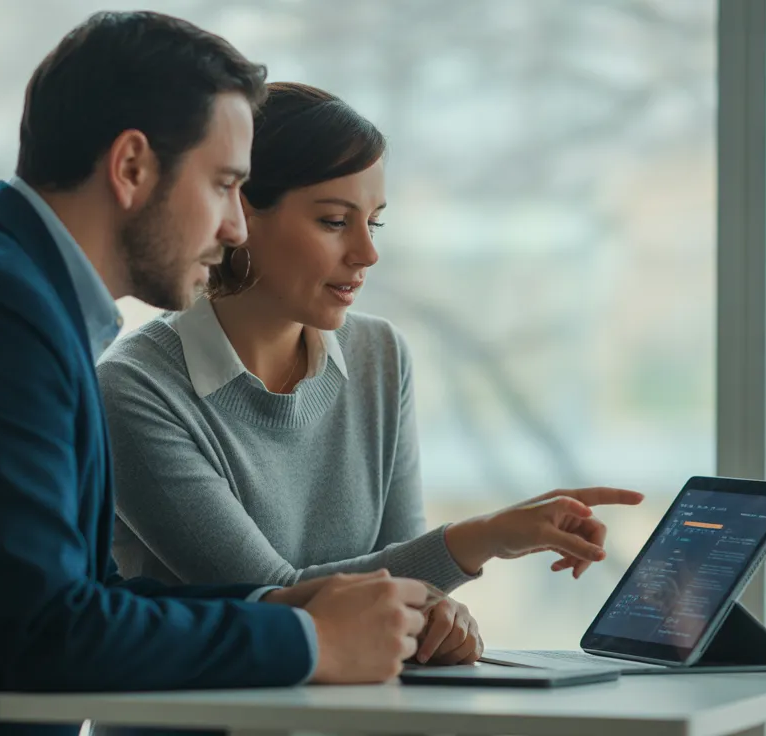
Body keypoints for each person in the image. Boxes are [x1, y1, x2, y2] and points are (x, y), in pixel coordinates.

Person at [0, 14, 431, 736]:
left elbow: (88, 596)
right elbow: (49, 635)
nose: (236, 227)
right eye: (223, 185)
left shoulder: (17, 293)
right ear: (132, 167)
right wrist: (314, 642)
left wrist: (294, 609)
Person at [96, 82, 646, 668]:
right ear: (241, 211)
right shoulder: (134, 388)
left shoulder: (381, 355)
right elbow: (278, 597)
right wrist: (483, 536)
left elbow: (401, 571)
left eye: (374, 224)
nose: (366, 253)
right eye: (335, 221)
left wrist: (439, 610)